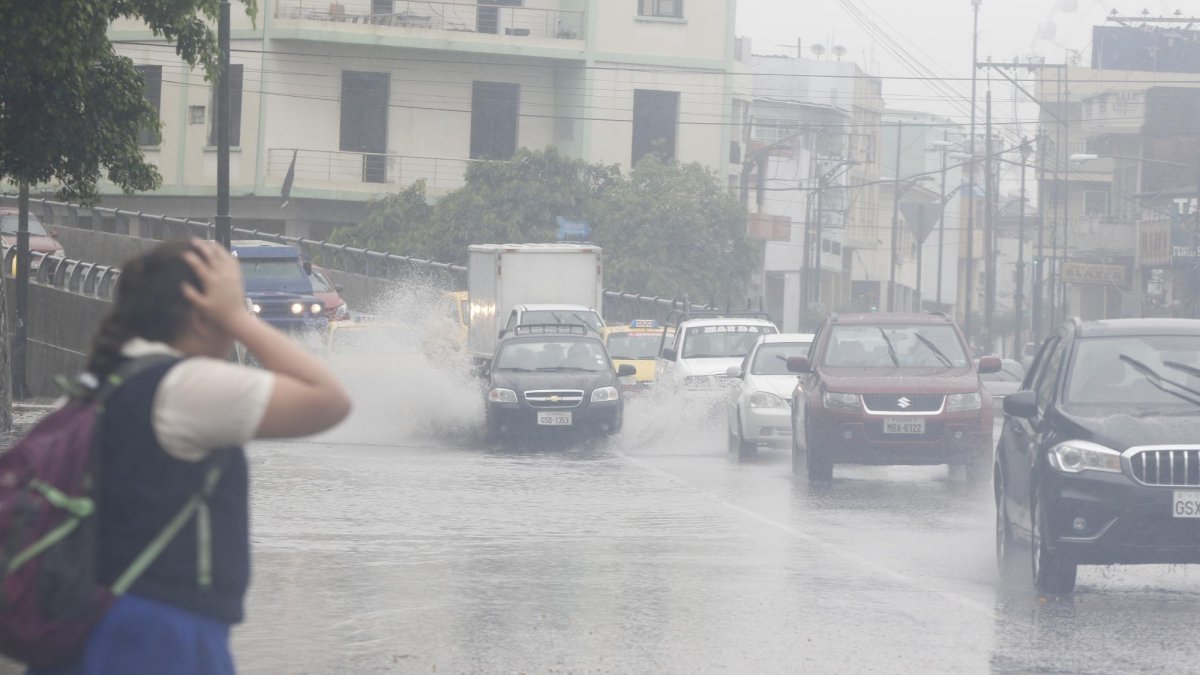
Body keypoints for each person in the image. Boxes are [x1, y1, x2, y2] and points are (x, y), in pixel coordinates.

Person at [32, 240, 351, 675]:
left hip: (80, 632)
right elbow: (328, 401)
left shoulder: (90, 391)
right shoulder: (186, 388)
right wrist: (241, 319)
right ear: (202, 313)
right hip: (162, 638)